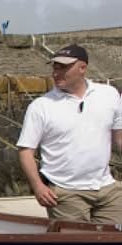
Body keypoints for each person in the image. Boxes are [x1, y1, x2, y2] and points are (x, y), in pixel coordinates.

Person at [16, 44, 122, 224]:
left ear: (82, 68)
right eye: (55, 67)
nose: (56, 73)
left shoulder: (109, 95)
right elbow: (25, 151)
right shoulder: (41, 106)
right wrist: (38, 186)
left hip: (107, 190)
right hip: (65, 193)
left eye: (63, 67)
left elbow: (119, 139)